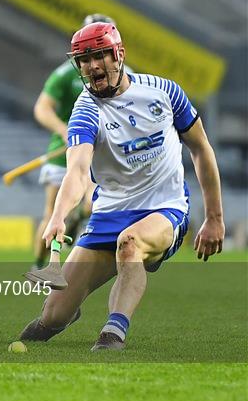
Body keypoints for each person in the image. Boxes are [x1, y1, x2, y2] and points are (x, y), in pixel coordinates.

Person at [20, 21, 225, 350]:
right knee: (52, 317)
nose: (91, 66)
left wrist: (214, 217)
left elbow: (201, 148)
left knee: (130, 244)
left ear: (119, 55)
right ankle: (62, 314)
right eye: (84, 60)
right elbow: (76, 170)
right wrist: (59, 215)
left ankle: (113, 332)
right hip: (109, 214)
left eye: (99, 56)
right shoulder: (86, 110)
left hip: (164, 206)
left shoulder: (165, 92)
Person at [32, 14, 125, 270]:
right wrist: (63, 130)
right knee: (51, 213)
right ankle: (39, 265)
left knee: (90, 205)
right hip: (62, 153)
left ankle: (76, 224)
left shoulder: (122, 73)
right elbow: (42, 108)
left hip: (97, 156)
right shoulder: (64, 75)